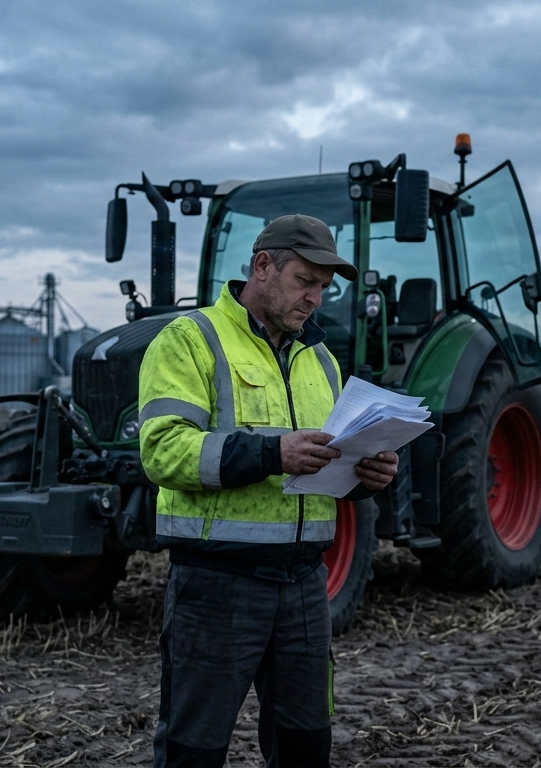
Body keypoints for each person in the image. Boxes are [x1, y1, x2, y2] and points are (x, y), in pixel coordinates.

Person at [139, 214, 399, 767]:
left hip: (307, 587)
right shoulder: (190, 340)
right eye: (305, 279)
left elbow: (325, 467)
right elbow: (162, 450)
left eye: (324, 287)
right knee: (194, 750)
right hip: (217, 587)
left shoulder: (320, 360)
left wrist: (363, 478)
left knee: (306, 748)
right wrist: (271, 454)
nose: (315, 297)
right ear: (262, 266)